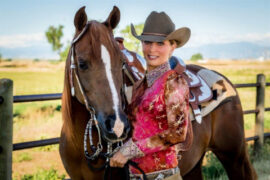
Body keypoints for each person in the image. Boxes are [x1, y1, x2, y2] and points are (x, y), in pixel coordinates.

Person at [110, 11, 193, 180]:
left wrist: (129, 151)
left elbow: (177, 133)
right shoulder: (140, 85)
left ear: (172, 47)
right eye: (147, 42)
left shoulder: (174, 82)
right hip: (136, 175)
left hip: (163, 176)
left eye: (160, 44)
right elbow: (138, 128)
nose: (152, 49)